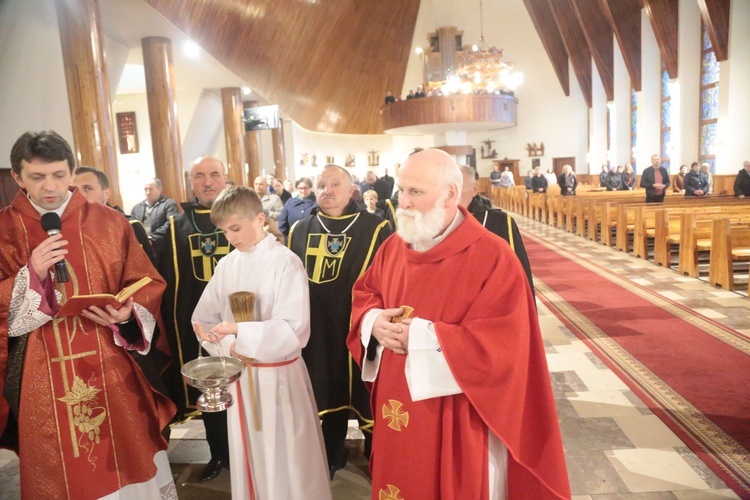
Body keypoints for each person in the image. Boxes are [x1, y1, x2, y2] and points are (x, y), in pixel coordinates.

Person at [346, 149, 570, 499]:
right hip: (396, 399)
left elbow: (504, 348)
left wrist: (420, 337)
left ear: (451, 193)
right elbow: (367, 293)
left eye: (415, 192)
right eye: (400, 191)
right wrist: (373, 323)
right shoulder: (392, 247)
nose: (402, 202)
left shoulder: (493, 258)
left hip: (456, 412)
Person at [0, 130, 176, 498]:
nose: (50, 186)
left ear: (72, 170)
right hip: (40, 373)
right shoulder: (4, 230)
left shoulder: (109, 222)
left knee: (127, 453)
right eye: (37, 177)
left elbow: (145, 282)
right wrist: (30, 275)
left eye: (59, 175)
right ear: (16, 177)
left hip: (110, 360)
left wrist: (128, 314)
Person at [191, 186, 331, 499]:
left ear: (259, 219)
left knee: (286, 458)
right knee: (249, 455)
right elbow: (203, 319)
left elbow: (293, 329)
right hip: (240, 376)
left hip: (278, 378)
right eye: (225, 230)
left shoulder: (285, 263)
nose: (230, 237)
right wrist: (223, 344)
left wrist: (241, 335)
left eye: (236, 228)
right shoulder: (227, 264)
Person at [287, 164, 392, 478]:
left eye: (335, 184)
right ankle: (332, 450)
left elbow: (388, 278)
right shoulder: (300, 230)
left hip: (360, 327)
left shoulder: (375, 228)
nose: (327, 191)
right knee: (326, 386)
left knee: (365, 392)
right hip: (317, 329)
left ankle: (379, 455)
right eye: (321, 185)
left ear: (352, 191)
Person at [151, 156, 232, 482]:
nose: (208, 181)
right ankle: (219, 454)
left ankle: (250, 452)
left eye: (214, 174)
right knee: (210, 389)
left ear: (226, 178)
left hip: (241, 324)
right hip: (197, 328)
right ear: (191, 181)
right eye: (200, 176)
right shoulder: (174, 228)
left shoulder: (242, 218)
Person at [460, 165, 534, 295]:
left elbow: (518, 274)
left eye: (458, 186)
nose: (451, 194)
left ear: (474, 188)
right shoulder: (435, 223)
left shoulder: (499, 221)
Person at [73, 166, 154, 264]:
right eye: (74, 191)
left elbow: (144, 273)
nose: (80, 195)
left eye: (87, 189)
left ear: (106, 194)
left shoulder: (129, 226)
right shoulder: (69, 229)